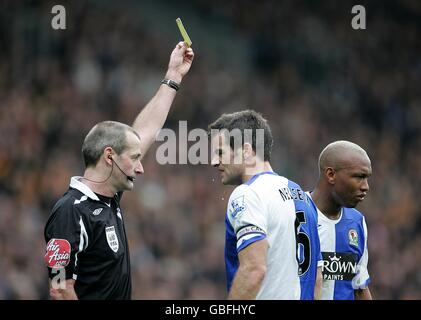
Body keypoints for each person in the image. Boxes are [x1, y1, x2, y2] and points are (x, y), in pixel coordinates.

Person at [43, 42, 194, 300]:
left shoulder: (108, 197)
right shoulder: (70, 211)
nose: (141, 167)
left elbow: (144, 132)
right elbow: (59, 289)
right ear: (109, 156)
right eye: (134, 159)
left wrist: (173, 77)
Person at [209, 109, 319, 299]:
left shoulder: (248, 194)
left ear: (245, 150)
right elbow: (318, 279)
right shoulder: (303, 197)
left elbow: (253, 270)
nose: (213, 161)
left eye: (220, 152)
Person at [309, 140, 372, 300]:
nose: (366, 186)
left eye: (367, 178)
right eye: (359, 177)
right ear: (331, 175)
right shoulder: (295, 213)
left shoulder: (357, 222)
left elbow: (359, 287)